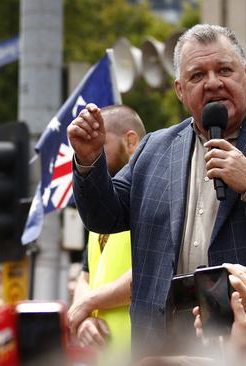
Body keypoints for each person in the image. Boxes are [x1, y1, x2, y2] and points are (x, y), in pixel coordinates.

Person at [68, 24, 246, 365]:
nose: (212, 82)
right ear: (180, 89)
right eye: (197, 75)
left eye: (224, 70)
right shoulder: (154, 149)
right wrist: (90, 162)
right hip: (168, 350)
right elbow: (104, 216)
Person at [67, 105, 146, 357]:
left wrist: (89, 303)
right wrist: (84, 317)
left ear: (130, 141)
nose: (92, 151)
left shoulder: (153, 195)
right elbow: (85, 275)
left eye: (101, 143)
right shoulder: (102, 205)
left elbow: (153, 270)